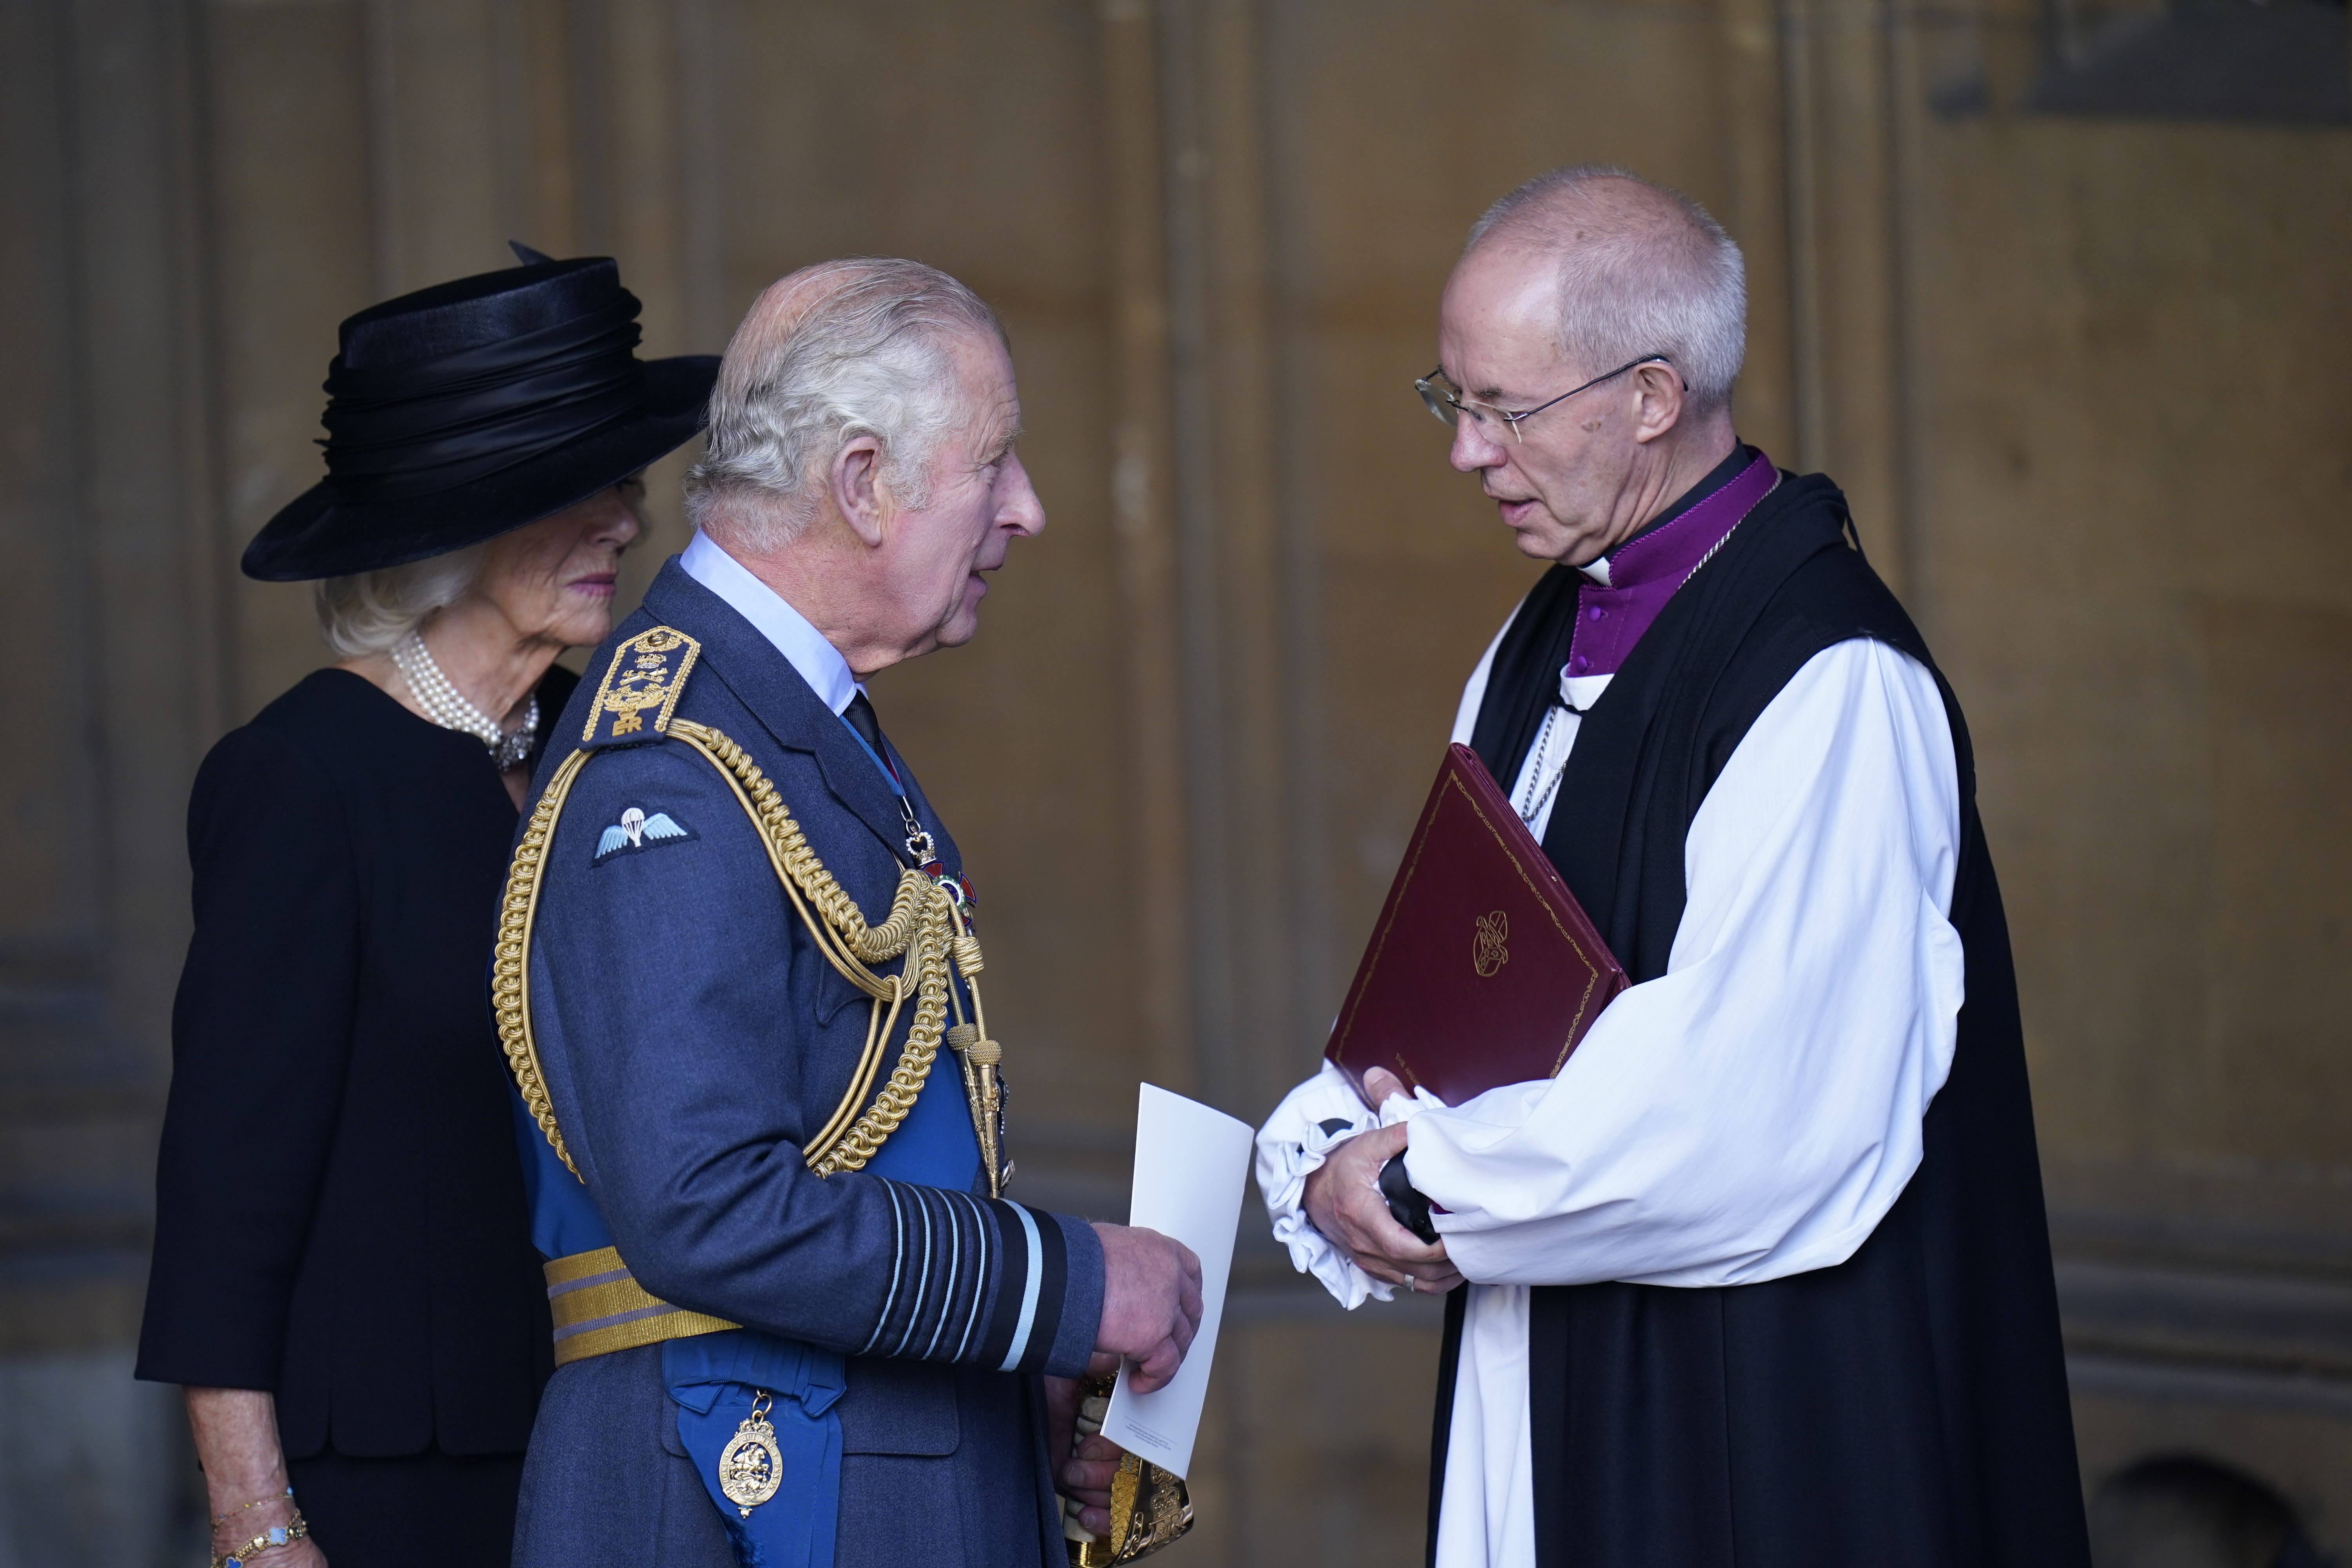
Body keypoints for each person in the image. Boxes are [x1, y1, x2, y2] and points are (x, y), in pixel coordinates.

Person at [1255, 167, 2091, 1567]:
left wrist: (1413, 1185)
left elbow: (1749, 1110)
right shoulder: (1536, 642)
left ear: (1651, 397)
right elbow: (1454, 985)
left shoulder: (1829, 680)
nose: (1466, 452)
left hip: (1759, 1410)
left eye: (1503, 410)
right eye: (1447, 398)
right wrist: (1332, 1141)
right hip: (1552, 1358)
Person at [502, 256, 1200, 1568]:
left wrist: (1030, 1359)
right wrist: (1067, 1283)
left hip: (872, 1461)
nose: (1031, 509)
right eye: (996, 462)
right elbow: (702, 1207)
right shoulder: (674, 765)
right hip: (754, 1487)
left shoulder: (781, 720)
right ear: (864, 483)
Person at [136, 248, 719, 1568]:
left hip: (623, 1429)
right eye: (582, 488)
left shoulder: (603, 745)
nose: (626, 522)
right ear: (452, 527)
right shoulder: (299, 780)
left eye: (625, 480)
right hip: (393, 1477)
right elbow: (226, 1200)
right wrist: (256, 1526)